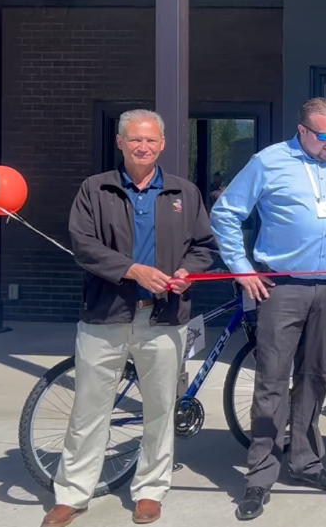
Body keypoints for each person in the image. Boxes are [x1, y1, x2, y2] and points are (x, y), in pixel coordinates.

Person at [45, 109, 216, 527]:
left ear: (163, 145)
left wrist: (185, 273)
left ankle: (150, 490)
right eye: (135, 140)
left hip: (164, 318)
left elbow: (205, 246)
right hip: (106, 315)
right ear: (120, 142)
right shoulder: (95, 188)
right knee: (88, 409)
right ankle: (73, 494)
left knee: (160, 409)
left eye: (151, 140)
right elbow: (83, 246)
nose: (144, 147)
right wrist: (133, 270)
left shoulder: (183, 192)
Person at [210, 97, 326, 521]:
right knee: (272, 383)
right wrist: (242, 268)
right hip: (280, 288)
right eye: (323, 135)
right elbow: (225, 213)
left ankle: (305, 462)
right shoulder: (269, 162)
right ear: (301, 131)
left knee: (316, 377)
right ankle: (260, 476)